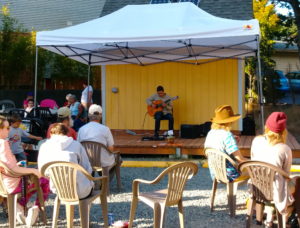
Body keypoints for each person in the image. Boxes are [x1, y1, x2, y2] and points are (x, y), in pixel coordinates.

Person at [251, 112, 300, 226]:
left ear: (266, 127)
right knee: (298, 181)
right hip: (275, 190)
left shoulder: (256, 141)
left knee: (278, 181)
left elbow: (254, 162)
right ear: (283, 130)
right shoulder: (285, 148)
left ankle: (268, 217)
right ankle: (292, 216)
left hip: (257, 186)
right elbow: (286, 174)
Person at [0, 115, 49, 226]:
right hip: (13, 184)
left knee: (33, 179)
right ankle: (35, 208)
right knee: (45, 181)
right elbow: (13, 169)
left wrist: (16, 165)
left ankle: (20, 207)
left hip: (2, 183)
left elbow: (6, 165)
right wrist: (32, 171)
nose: (9, 130)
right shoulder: (3, 143)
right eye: (7, 128)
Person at [38, 123, 94, 199]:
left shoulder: (44, 146)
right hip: (80, 190)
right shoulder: (76, 145)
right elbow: (86, 167)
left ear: (51, 133)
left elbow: (42, 169)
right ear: (67, 132)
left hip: (57, 189)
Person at [204, 105, 248, 182]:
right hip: (230, 175)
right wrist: (253, 162)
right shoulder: (227, 135)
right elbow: (240, 159)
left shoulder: (210, 133)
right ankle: (256, 193)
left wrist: (232, 140)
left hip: (215, 174)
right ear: (230, 121)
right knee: (254, 171)